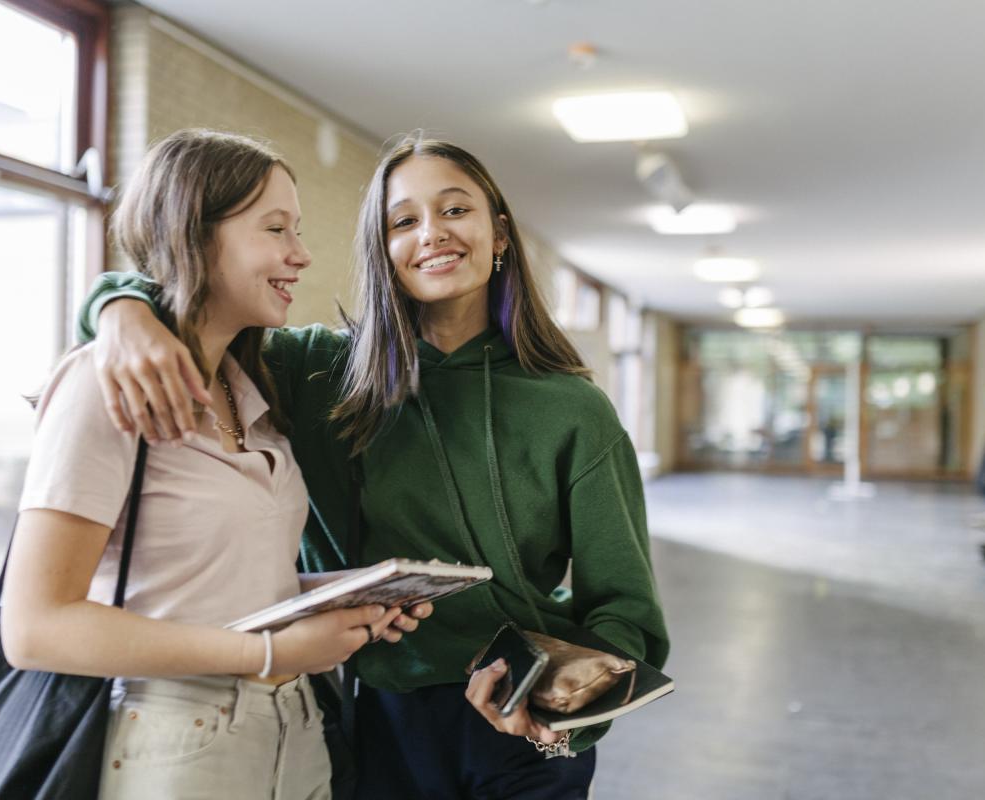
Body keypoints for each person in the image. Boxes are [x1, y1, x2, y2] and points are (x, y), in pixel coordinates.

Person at [79, 134, 669, 799]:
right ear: (380, 249)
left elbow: (625, 611)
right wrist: (117, 306)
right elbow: (187, 304)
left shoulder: (573, 409)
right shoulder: (316, 373)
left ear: (499, 233)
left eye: (455, 211)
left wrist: (563, 701)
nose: (432, 235)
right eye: (404, 221)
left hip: (515, 727)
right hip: (366, 714)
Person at [2, 129, 420, 800]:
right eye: (275, 228)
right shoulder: (102, 384)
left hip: (292, 732)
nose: (301, 254)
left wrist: (344, 597)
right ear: (195, 235)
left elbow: (216, 586)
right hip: (171, 739)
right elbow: (34, 627)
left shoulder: (250, 388)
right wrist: (269, 654)